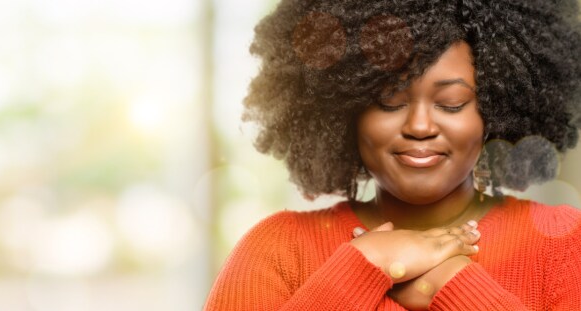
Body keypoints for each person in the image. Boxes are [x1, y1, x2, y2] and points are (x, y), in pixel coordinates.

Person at [205, 0, 581, 310]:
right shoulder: (277, 249)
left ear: (496, 111)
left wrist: (447, 284)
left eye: (451, 104)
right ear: (345, 110)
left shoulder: (564, 246)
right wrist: (366, 264)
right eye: (388, 101)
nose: (420, 126)